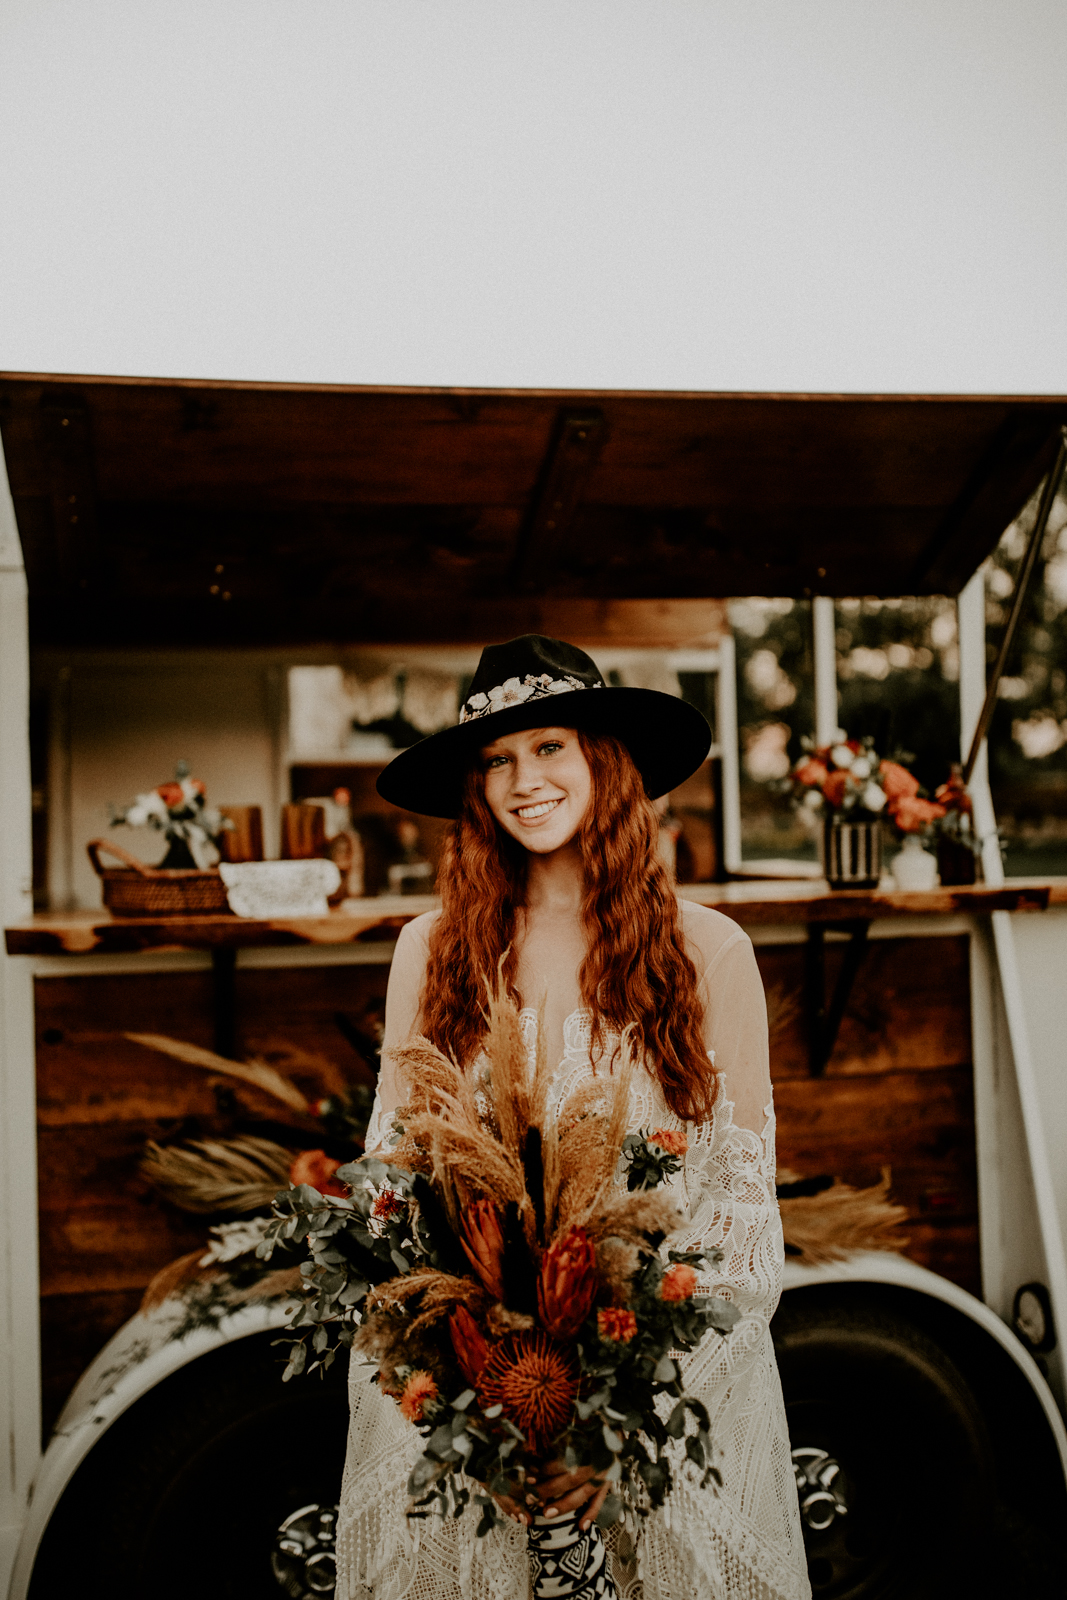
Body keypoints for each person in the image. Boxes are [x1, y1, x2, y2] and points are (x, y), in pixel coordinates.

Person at [336, 635, 810, 1600]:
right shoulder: (429, 950)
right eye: (497, 759)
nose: (523, 780)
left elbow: (739, 1229)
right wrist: (475, 1407)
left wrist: (608, 1429)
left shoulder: (706, 950)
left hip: (665, 1397)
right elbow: (388, 1197)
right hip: (467, 1416)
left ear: (604, 759)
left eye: (549, 746)